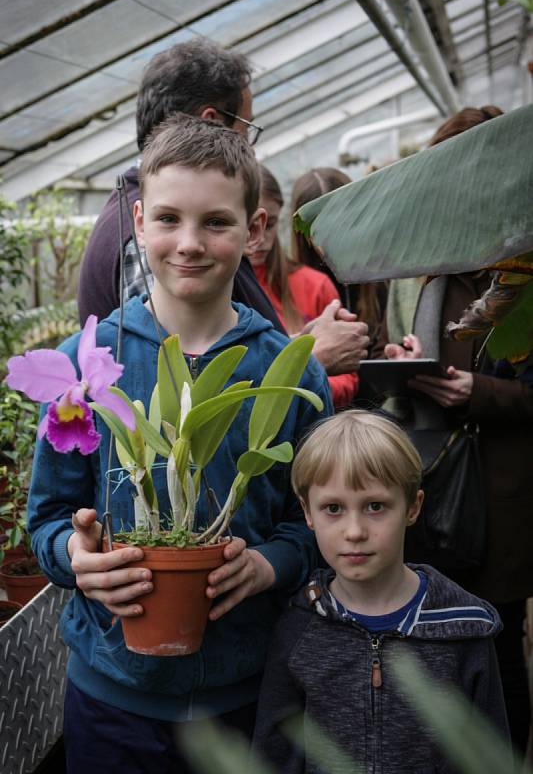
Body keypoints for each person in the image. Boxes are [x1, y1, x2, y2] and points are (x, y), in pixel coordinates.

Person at [28, 114, 332, 774]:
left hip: (248, 696)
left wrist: (269, 565)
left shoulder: (286, 371)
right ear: (137, 222)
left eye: (215, 222)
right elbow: (48, 519)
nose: (188, 243)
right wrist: (75, 557)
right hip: (112, 698)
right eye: (167, 219)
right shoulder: (89, 358)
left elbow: (315, 524)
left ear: (254, 231)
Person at [375, 105, 533, 753]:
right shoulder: (431, 273)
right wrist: (398, 365)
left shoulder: (520, 272)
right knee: (440, 638)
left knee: (497, 643)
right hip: (437, 488)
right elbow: (413, 354)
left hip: (504, 496)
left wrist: (478, 393)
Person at [77, 38, 370, 379]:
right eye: (247, 128)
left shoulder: (138, 209)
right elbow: (174, 385)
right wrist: (310, 362)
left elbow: (210, 345)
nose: (188, 243)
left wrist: (293, 346)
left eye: (216, 222)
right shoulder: (142, 242)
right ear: (212, 121)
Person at [253, 410, 509, 772]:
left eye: (375, 506)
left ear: (412, 507)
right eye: (333, 509)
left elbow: (489, 757)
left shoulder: (465, 628)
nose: (354, 531)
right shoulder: (298, 626)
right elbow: (274, 757)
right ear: (307, 512)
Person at [244, 165, 358, 408]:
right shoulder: (222, 293)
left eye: (270, 224)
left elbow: (349, 371)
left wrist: (307, 389)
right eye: (247, 225)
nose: (259, 238)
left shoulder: (314, 285)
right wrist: (312, 373)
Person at [290, 167, 387, 347]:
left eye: (341, 225)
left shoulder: (383, 276)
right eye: (318, 232)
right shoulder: (299, 287)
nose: (331, 240)